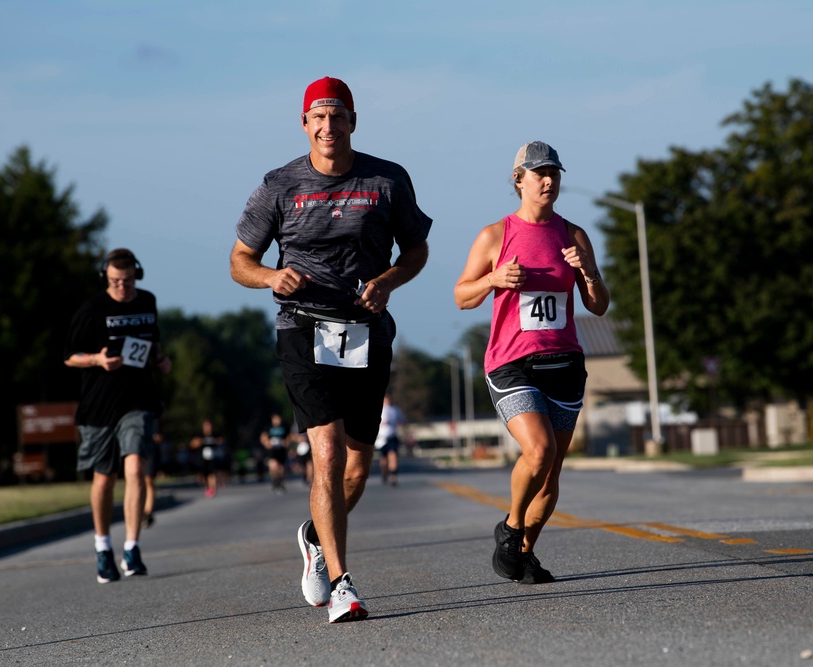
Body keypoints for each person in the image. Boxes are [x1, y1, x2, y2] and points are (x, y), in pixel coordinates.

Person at [229, 76, 432, 623]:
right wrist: (272, 276)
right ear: (304, 125)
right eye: (317, 117)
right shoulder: (279, 185)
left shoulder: (388, 179)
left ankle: (315, 537)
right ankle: (343, 583)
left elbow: (417, 249)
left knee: (357, 469)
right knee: (328, 453)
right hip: (302, 328)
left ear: (352, 121)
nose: (327, 125)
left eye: (337, 115)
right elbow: (239, 261)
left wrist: (389, 280)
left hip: (366, 330)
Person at [454, 141, 610, 584]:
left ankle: (523, 553)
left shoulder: (574, 235)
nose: (548, 181)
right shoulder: (495, 236)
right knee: (537, 451)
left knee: (551, 475)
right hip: (511, 363)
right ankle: (511, 527)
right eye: (539, 173)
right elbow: (461, 297)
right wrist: (492, 278)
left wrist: (588, 274)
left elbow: (598, 306)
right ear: (518, 180)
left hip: (564, 363)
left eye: (554, 174)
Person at [64, 248, 172, 583]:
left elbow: (153, 345)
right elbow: (70, 356)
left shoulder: (147, 301)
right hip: (99, 405)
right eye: (115, 281)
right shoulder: (93, 309)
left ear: (136, 276)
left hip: (137, 399)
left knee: (136, 467)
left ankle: (132, 547)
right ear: (105, 278)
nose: (122, 287)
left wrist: (161, 360)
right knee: (104, 477)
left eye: (126, 281)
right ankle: (102, 548)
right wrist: (96, 360)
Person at [191, 419, 225, 498]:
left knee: (212, 473)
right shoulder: (200, 435)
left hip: (213, 457)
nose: (207, 428)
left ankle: (212, 488)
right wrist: (196, 443)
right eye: (206, 426)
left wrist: (218, 441)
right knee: (205, 473)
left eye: (209, 426)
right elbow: (192, 444)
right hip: (203, 458)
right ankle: (208, 487)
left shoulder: (214, 435)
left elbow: (221, 441)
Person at [374, 394, 403, 486]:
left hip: (392, 436)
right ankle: (384, 472)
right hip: (382, 438)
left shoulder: (395, 409)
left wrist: (399, 422)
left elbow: (402, 419)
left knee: (393, 455)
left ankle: (393, 476)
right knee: (384, 458)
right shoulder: (380, 409)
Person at [261, 413, 290, 493]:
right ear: (273, 419)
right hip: (272, 451)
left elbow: (289, 437)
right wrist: (267, 443)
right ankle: (274, 481)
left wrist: (286, 442)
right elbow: (263, 437)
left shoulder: (284, 427)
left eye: (279, 419)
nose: (278, 421)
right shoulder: (268, 427)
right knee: (273, 466)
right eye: (276, 419)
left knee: (281, 468)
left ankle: (280, 481)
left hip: (281, 450)